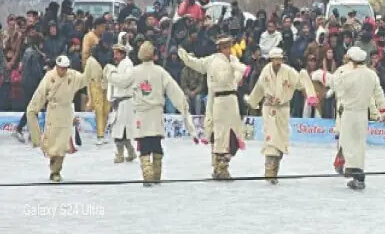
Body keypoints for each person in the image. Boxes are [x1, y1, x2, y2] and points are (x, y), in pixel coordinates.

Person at [178, 36, 248, 180]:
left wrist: (238, 74)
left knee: (232, 135)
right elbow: (197, 64)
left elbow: (239, 74)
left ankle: (221, 165)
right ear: (220, 48)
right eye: (226, 47)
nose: (229, 50)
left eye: (230, 46)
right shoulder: (212, 60)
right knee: (220, 133)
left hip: (232, 100)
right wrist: (185, 56)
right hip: (218, 100)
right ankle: (220, 167)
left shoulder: (233, 60)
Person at [244, 48, 318, 184]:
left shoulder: (289, 72)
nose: (277, 62)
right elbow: (259, 88)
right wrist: (252, 101)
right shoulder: (266, 71)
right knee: (270, 139)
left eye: (280, 59)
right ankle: (269, 172)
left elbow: (302, 82)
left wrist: (310, 95)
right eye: (275, 59)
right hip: (269, 108)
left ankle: (274, 171)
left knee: (281, 142)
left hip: (283, 109)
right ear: (271, 59)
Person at [130, 42, 197, 186]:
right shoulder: (160, 71)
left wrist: (110, 73)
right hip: (156, 113)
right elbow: (174, 91)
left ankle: (148, 176)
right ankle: (156, 176)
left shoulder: (134, 71)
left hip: (141, 114)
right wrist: (183, 106)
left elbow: (121, 82)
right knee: (156, 144)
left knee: (144, 145)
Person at [328, 46, 385, 190]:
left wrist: (320, 75)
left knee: (347, 142)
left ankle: (354, 172)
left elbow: (333, 84)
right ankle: (356, 172)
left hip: (348, 113)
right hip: (362, 114)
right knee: (358, 144)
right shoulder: (371, 74)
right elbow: (379, 94)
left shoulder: (346, 73)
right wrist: (384, 111)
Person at [26, 55, 89, 182]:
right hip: (53, 112)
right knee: (52, 143)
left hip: (66, 112)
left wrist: (91, 66)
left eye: (65, 68)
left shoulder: (72, 76)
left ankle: (56, 171)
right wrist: (33, 109)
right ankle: (53, 163)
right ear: (57, 66)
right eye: (61, 68)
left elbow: (84, 79)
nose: (63, 71)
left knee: (62, 144)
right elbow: (40, 94)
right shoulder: (49, 77)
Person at [106, 44, 137, 163]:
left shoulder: (128, 65)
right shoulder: (120, 65)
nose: (114, 55)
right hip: (119, 102)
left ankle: (120, 154)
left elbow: (125, 81)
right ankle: (131, 152)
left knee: (121, 131)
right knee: (120, 130)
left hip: (125, 102)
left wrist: (111, 76)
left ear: (122, 53)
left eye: (117, 53)